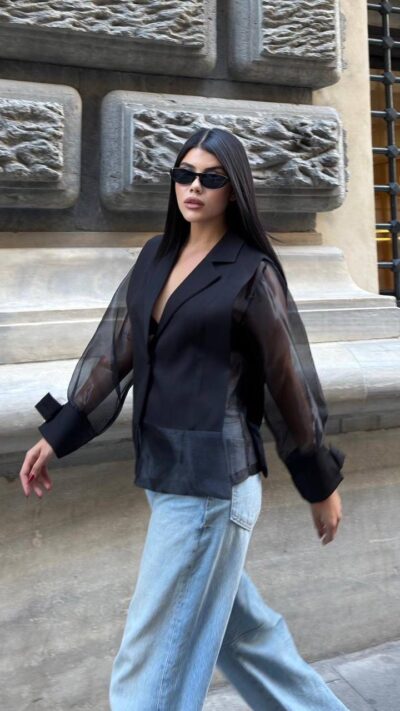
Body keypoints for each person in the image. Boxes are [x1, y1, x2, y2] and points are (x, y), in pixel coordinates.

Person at [19, 127, 348, 711]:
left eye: (210, 178)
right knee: (246, 641)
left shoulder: (251, 272)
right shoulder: (156, 255)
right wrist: (59, 434)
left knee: (148, 663)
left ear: (233, 189)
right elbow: (116, 354)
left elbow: (289, 386)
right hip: (167, 475)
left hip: (212, 487)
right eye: (184, 174)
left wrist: (320, 484)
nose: (194, 187)